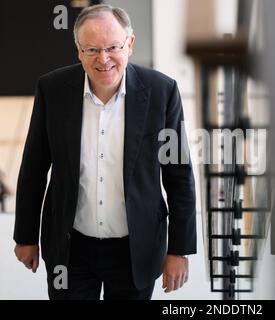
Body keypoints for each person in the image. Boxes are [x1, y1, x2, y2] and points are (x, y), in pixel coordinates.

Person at [13, 4, 196, 300]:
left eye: (113, 47)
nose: (104, 59)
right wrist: (25, 236)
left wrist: (179, 250)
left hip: (136, 250)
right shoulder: (52, 89)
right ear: (78, 51)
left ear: (130, 44)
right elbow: (33, 167)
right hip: (71, 249)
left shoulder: (162, 92)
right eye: (92, 49)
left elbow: (179, 177)